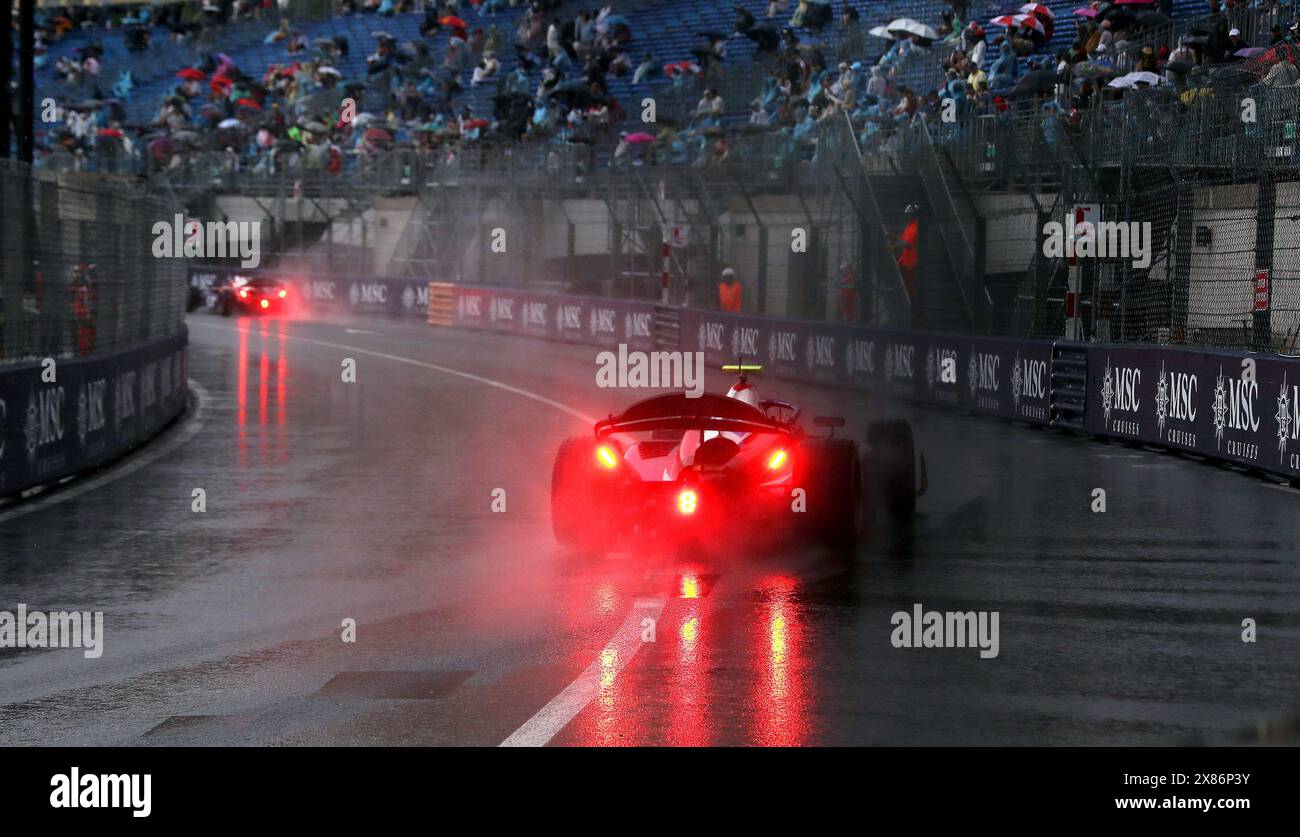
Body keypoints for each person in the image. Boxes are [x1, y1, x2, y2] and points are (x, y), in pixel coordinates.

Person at [890, 205, 920, 303]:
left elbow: (908, 243)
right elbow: (904, 237)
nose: (907, 216)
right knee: (900, 282)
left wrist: (894, 247)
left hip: (911, 263)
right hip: (904, 260)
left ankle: (910, 304)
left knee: (909, 285)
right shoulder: (909, 225)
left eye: (909, 214)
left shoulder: (917, 226)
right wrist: (894, 237)